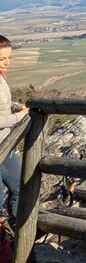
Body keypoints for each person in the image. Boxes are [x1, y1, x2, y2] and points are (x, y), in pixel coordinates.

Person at [0, 35, 29, 227]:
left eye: (9, 58)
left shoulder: (1, 79)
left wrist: (17, 106)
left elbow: (3, 106)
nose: (7, 62)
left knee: (20, 185)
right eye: (2, 59)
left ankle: (16, 230)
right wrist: (22, 116)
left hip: (5, 145)